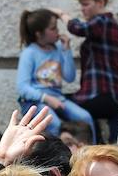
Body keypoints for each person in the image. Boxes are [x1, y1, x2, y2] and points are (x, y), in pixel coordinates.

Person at [53, 0, 118, 144]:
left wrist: (62, 15)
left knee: (57, 103)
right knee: (117, 142)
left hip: (102, 95)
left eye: (86, 4)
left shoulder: (103, 22)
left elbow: (79, 28)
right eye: (81, 4)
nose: (82, 9)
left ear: (101, 2)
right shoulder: (109, 27)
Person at [16, 9, 95, 142]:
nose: (57, 31)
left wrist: (66, 50)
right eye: (53, 29)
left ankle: (93, 155)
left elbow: (69, 77)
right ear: (39, 34)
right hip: (35, 102)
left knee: (85, 117)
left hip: (58, 98)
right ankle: (60, 160)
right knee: (54, 124)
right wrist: (46, 98)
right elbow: (22, 87)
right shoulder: (29, 53)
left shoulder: (58, 49)